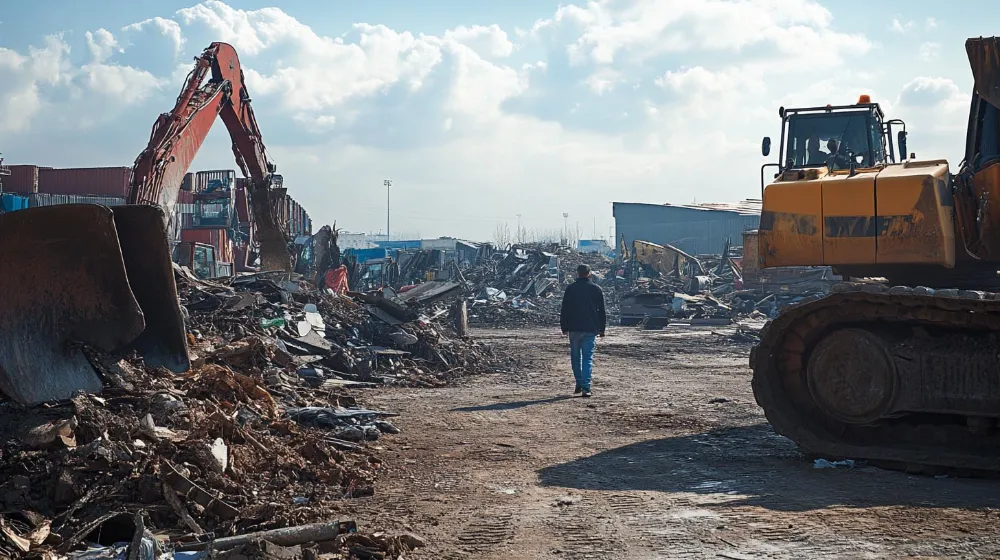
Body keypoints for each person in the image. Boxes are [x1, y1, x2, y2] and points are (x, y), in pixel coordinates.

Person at [560, 264, 607, 397]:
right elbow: (601, 311)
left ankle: (579, 383)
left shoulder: (570, 289)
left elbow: (565, 309)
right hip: (590, 328)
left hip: (574, 329)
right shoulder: (596, 289)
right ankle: (586, 387)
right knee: (587, 358)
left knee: (576, 358)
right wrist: (602, 329)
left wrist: (564, 327)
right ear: (589, 273)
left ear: (577, 273)